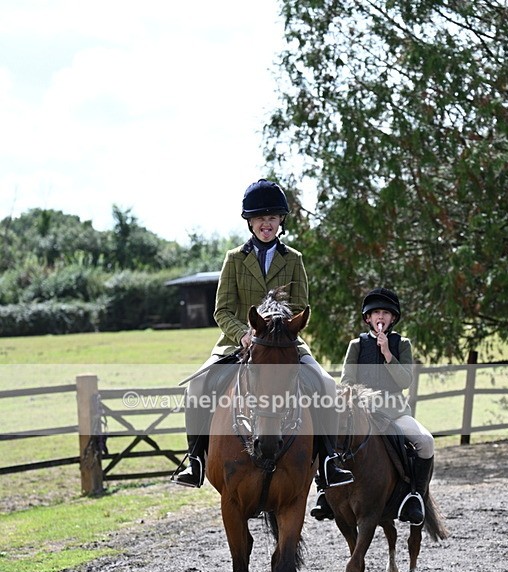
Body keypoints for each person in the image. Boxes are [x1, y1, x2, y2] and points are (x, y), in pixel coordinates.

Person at [174, 178, 353, 491]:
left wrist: (278, 325)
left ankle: (328, 461)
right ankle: (195, 460)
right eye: (260, 219)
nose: (265, 224)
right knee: (198, 386)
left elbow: (301, 305)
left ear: (280, 221)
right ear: (250, 222)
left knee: (325, 384)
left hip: (284, 341)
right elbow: (222, 311)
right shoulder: (234, 259)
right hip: (238, 341)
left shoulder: (294, 259)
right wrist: (244, 333)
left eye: (271, 219)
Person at [310, 287, 435, 525]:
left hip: (395, 414)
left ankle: (415, 497)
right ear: (368, 318)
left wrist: (388, 353)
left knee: (426, 441)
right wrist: (360, 403)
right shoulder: (356, 345)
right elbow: (347, 382)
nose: (380, 317)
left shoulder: (402, 344)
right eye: (376, 313)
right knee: (325, 435)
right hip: (362, 413)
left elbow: (405, 381)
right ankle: (324, 494)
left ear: (393, 318)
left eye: (386, 314)